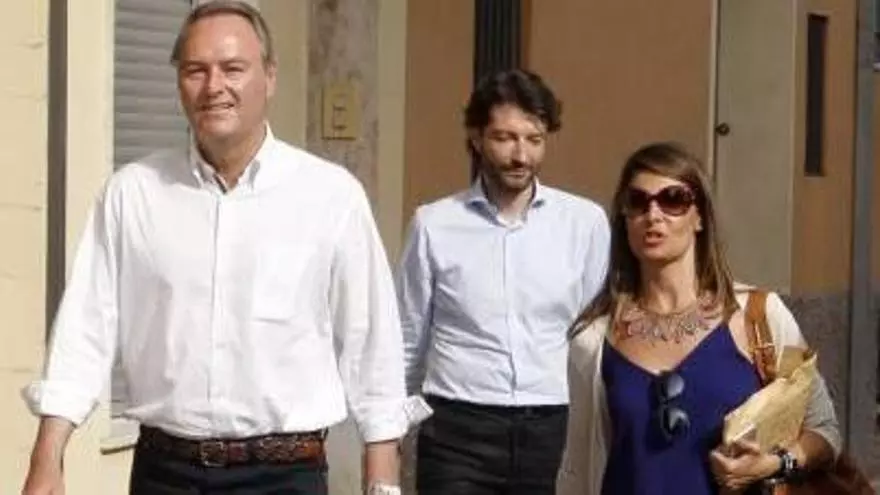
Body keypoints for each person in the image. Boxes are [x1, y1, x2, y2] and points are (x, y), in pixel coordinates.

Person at [21, 2, 407, 494]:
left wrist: (382, 479)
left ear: (269, 77)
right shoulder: (133, 194)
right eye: (195, 71)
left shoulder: (330, 196)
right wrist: (47, 457)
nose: (213, 86)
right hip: (166, 473)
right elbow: (85, 327)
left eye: (233, 68)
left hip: (284, 477)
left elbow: (371, 341)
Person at [556, 142, 840, 495]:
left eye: (673, 199)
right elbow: (577, 470)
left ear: (700, 217)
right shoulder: (593, 339)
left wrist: (772, 463)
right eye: (638, 202)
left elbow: (824, 429)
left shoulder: (760, 316)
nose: (653, 215)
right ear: (625, 219)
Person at [397, 69, 611, 494]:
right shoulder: (434, 224)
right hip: (458, 431)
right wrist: (392, 433)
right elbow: (407, 339)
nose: (521, 156)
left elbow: (598, 336)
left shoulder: (584, 223)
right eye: (505, 138)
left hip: (553, 426)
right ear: (476, 138)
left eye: (534, 139)